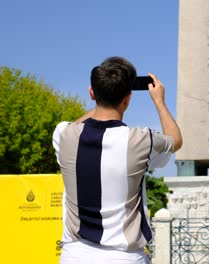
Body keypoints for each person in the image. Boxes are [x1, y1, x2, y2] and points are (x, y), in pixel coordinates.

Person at [52, 56, 182, 264]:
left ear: (91, 93)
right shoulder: (141, 140)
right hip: (125, 257)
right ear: (128, 99)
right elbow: (175, 141)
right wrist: (159, 101)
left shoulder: (63, 134)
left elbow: (79, 124)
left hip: (74, 255)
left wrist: (102, 96)